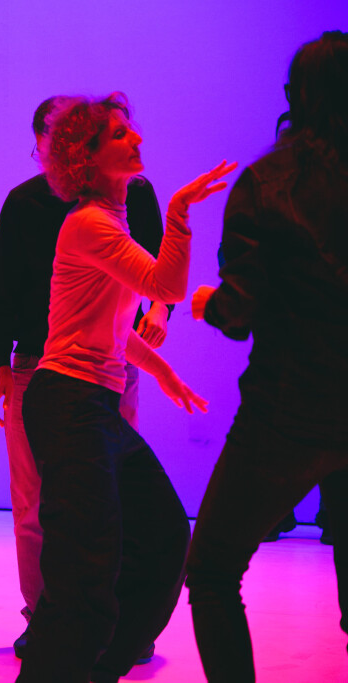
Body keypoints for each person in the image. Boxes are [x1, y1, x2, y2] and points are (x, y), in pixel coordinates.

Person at [16, 92, 235, 683]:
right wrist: (180, 213)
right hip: (68, 403)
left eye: (131, 129)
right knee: (85, 576)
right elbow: (166, 286)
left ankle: (99, 669)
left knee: (162, 537)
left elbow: (106, 325)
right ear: (86, 158)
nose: (136, 138)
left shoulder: (108, 221)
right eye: (119, 134)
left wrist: (162, 372)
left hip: (92, 405)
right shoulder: (89, 223)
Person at [0, 97, 170, 658]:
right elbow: (2, 291)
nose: (58, 142)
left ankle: (107, 622)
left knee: (111, 503)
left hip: (111, 368)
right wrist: (1, 367)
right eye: (51, 134)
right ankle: (46, 618)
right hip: (41, 369)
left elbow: (154, 274)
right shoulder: (28, 204)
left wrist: (160, 318)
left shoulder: (132, 195)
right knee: (36, 506)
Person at [186, 31, 348, 680]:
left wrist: (206, 303)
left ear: (297, 96)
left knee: (211, 570)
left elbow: (240, 312)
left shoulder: (270, 181)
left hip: (288, 409)